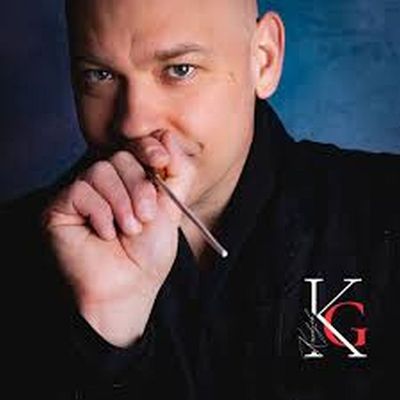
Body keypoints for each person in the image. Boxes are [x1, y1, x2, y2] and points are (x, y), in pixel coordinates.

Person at [2, 0, 399, 399]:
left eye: (179, 69)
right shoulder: (14, 251)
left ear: (263, 59)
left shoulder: (385, 209)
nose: (133, 123)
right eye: (99, 74)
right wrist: (107, 333)